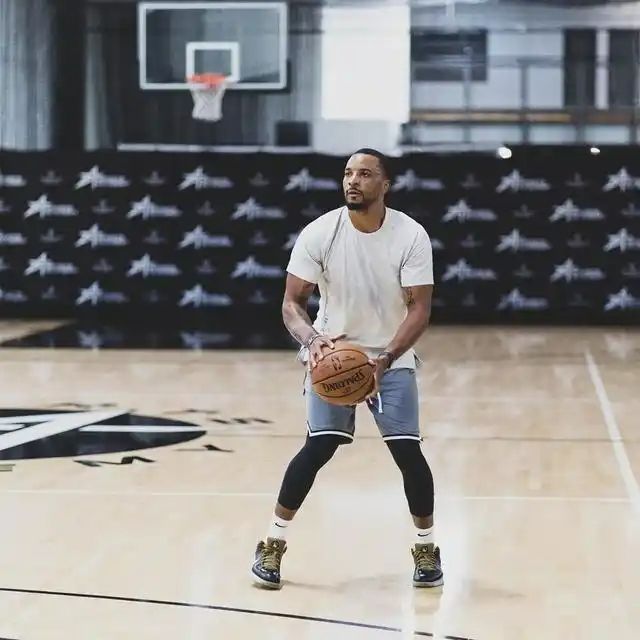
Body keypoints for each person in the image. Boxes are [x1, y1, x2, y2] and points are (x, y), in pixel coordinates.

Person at [251, 148, 442, 590]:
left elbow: (419, 310)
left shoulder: (410, 235)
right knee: (319, 446)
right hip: (333, 354)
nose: (353, 181)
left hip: (390, 357)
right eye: (348, 173)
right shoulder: (321, 232)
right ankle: (271, 543)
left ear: (385, 185)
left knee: (408, 453)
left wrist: (386, 358)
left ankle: (426, 547)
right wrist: (311, 340)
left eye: (365, 174)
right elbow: (292, 303)